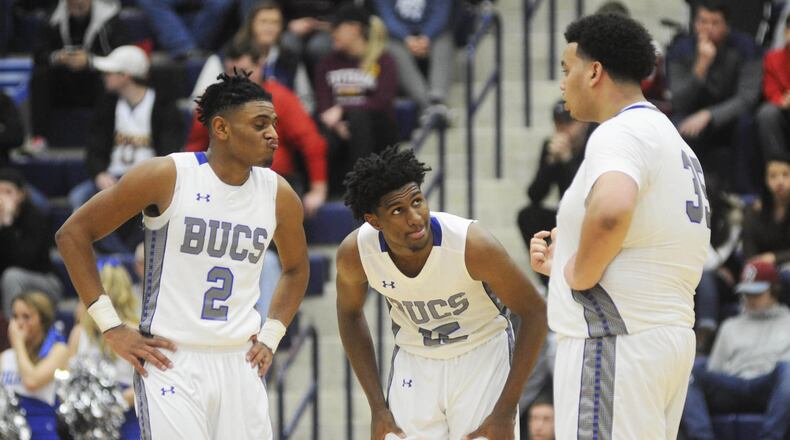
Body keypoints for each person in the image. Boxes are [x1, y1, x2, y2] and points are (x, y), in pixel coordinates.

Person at [54, 71, 310, 439]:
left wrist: (271, 334)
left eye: (273, 123)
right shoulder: (167, 175)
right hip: (171, 359)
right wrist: (110, 325)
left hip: (240, 361)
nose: (273, 133)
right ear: (221, 128)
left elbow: (297, 269)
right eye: (259, 124)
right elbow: (73, 234)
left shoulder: (279, 194)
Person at [530, 14, 710, 439]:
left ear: (593, 72)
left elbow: (611, 212)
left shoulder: (619, 133)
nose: (562, 83)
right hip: (663, 341)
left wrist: (576, 273)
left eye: (565, 69)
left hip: (617, 342)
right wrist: (562, 265)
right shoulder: (669, 138)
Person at [336, 146, 548, 439]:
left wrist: (507, 408)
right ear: (374, 220)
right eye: (398, 210)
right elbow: (348, 314)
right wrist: (377, 406)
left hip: (482, 354)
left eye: (418, 201)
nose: (415, 217)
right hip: (415, 359)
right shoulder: (356, 253)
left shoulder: (472, 244)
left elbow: (536, 311)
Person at [68, 45, 184, 253]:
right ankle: (121, 255)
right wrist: (99, 174)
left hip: (149, 180)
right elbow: (94, 147)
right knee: (78, 197)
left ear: (126, 75)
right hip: (111, 177)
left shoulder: (163, 105)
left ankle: (130, 255)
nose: (104, 76)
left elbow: (170, 151)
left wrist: (149, 179)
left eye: (109, 72)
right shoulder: (108, 104)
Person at [681, 260, 790, 440]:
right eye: (747, 293)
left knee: (788, 372)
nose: (751, 299)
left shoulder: (788, 321)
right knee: (689, 374)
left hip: (768, 386)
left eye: (757, 293)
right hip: (732, 385)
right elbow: (715, 368)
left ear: (774, 290)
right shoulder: (730, 326)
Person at [666, 0, 762, 191]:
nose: (707, 28)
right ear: (695, 23)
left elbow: (747, 97)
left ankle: (743, 195)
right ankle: (680, 191)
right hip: (691, 113)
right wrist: (700, 67)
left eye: (715, 22)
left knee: (747, 125)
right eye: (702, 21)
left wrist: (709, 115)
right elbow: (678, 100)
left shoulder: (746, 47)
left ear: (726, 25)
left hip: (730, 116)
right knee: (676, 129)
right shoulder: (681, 49)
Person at [315, 4, 399, 196]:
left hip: (377, 130)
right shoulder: (327, 63)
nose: (331, 33)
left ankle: (364, 186)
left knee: (359, 117)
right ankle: (327, 191)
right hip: (339, 127)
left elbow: (382, 102)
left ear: (355, 28)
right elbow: (324, 105)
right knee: (320, 133)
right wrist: (339, 125)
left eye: (337, 28)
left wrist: (345, 111)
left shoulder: (383, 60)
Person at [30, 0, 128, 148]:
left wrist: (89, 61)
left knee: (110, 78)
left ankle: (107, 139)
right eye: (73, 3)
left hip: (94, 77)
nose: (78, 5)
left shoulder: (110, 18)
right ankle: (39, 137)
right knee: (40, 76)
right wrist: (59, 57)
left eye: (82, 3)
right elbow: (38, 55)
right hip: (63, 80)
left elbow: (120, 55)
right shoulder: (52, 16)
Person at [516, 100, 588, 285]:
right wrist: (550, 161)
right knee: (527, 215)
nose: (563, 130)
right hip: (564, 213)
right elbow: (535, 195)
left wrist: (567, 161)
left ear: (583, 122)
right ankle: (548, 282)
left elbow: (587, 196)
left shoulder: (593, 144)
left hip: (590, 214)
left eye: (569, 124)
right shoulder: (551, 145)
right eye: (559, 125)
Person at [67, 260, 140, 440]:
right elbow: (69, 381)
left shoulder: (135, 332)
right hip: (89, 421)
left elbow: (145, 385)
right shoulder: (79, 333)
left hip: (127, 416)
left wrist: (111, 405)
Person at [0, 291, 69, 440]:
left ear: (42, 320)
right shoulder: (6, 356)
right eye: (15, 316)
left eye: (26, 317)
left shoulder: (58, 350)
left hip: (42, 431)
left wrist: (17, 343)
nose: (19, 323)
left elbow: (32, 382)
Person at [0, 168, 62, 318]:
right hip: (11, 281)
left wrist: (7, 224)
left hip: (44, 281)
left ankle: (14, 331)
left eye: (8, 192)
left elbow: (24, 260)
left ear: (21, 195)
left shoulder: (34, 217)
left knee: (11, 277)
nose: (2, 198)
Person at [742, 156, 790, 303]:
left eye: (785, 175)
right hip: (762, 269)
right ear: (765, 180)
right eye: (773, 176)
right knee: (752, 277)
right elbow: (749, 253)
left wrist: (774, 258)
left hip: (785, 267)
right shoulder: (754, 211)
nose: (779, 181)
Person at [756, 14, 790, 161]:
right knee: (766, 114)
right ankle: (778, 167)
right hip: (782, 108)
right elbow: (770, 89)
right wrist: (782, 101)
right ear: (786, 32)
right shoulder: (773, 57)